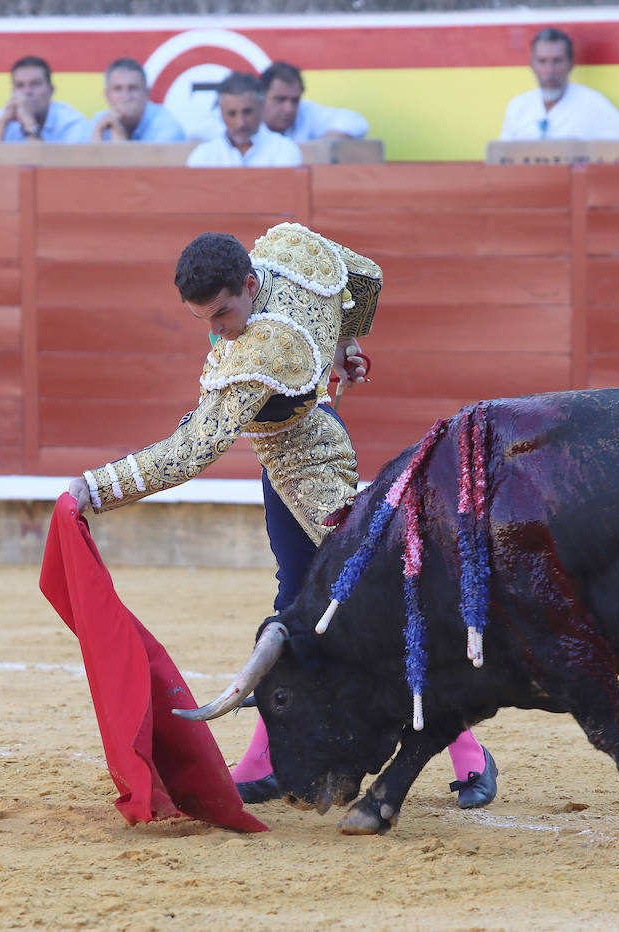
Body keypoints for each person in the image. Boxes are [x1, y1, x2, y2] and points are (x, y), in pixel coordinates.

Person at [64, 223, 499, 808]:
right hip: (288, 463)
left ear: (248, 284)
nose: (217, 331)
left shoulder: (264, 347)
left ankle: (466, 750)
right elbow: (363, 274)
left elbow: (193, 449)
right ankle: (265, 761)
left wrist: (97, 487)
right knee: (298, 608)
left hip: (312, 473)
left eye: (222, 314)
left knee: (371, 601)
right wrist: (346, 343)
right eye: (204, 320)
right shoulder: (288, 254)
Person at [499, 27, 619, 141]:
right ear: (532, 65)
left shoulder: (592, 104)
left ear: (571, 64)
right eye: (542, 61)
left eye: (557, 61)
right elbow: (503, 159)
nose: (550, 70)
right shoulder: (518, 106)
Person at [186, 72, 302, 167]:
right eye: (231, 114)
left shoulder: (284, 149)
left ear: (261, 107)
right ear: (221, 113)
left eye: (247, 112)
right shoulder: (203, 156)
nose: (241, 122)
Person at [82, 58, 186, 143]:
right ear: (107, 96)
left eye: (133, 88)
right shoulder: (100, 121)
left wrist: (119, 136)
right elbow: (84, 165)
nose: (126, 97)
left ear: (147, 94)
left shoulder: (166, 127)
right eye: (118, 89)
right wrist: (97, 134)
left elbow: (148, 168)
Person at [260, 61, 369, 141]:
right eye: (280, 99)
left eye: (295, 101)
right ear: (261, 98)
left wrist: (319, 147)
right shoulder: (248, 121)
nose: (289, 109)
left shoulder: (305, 112)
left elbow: (356, 122)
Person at [0, 55, 87, 142]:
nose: (27, 92)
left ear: (51, 90)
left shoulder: (72, 123)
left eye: (35, 84)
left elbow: (42, 162)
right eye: (20, 85)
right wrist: (2, 122)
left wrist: (29, 122)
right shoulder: (2, 118)